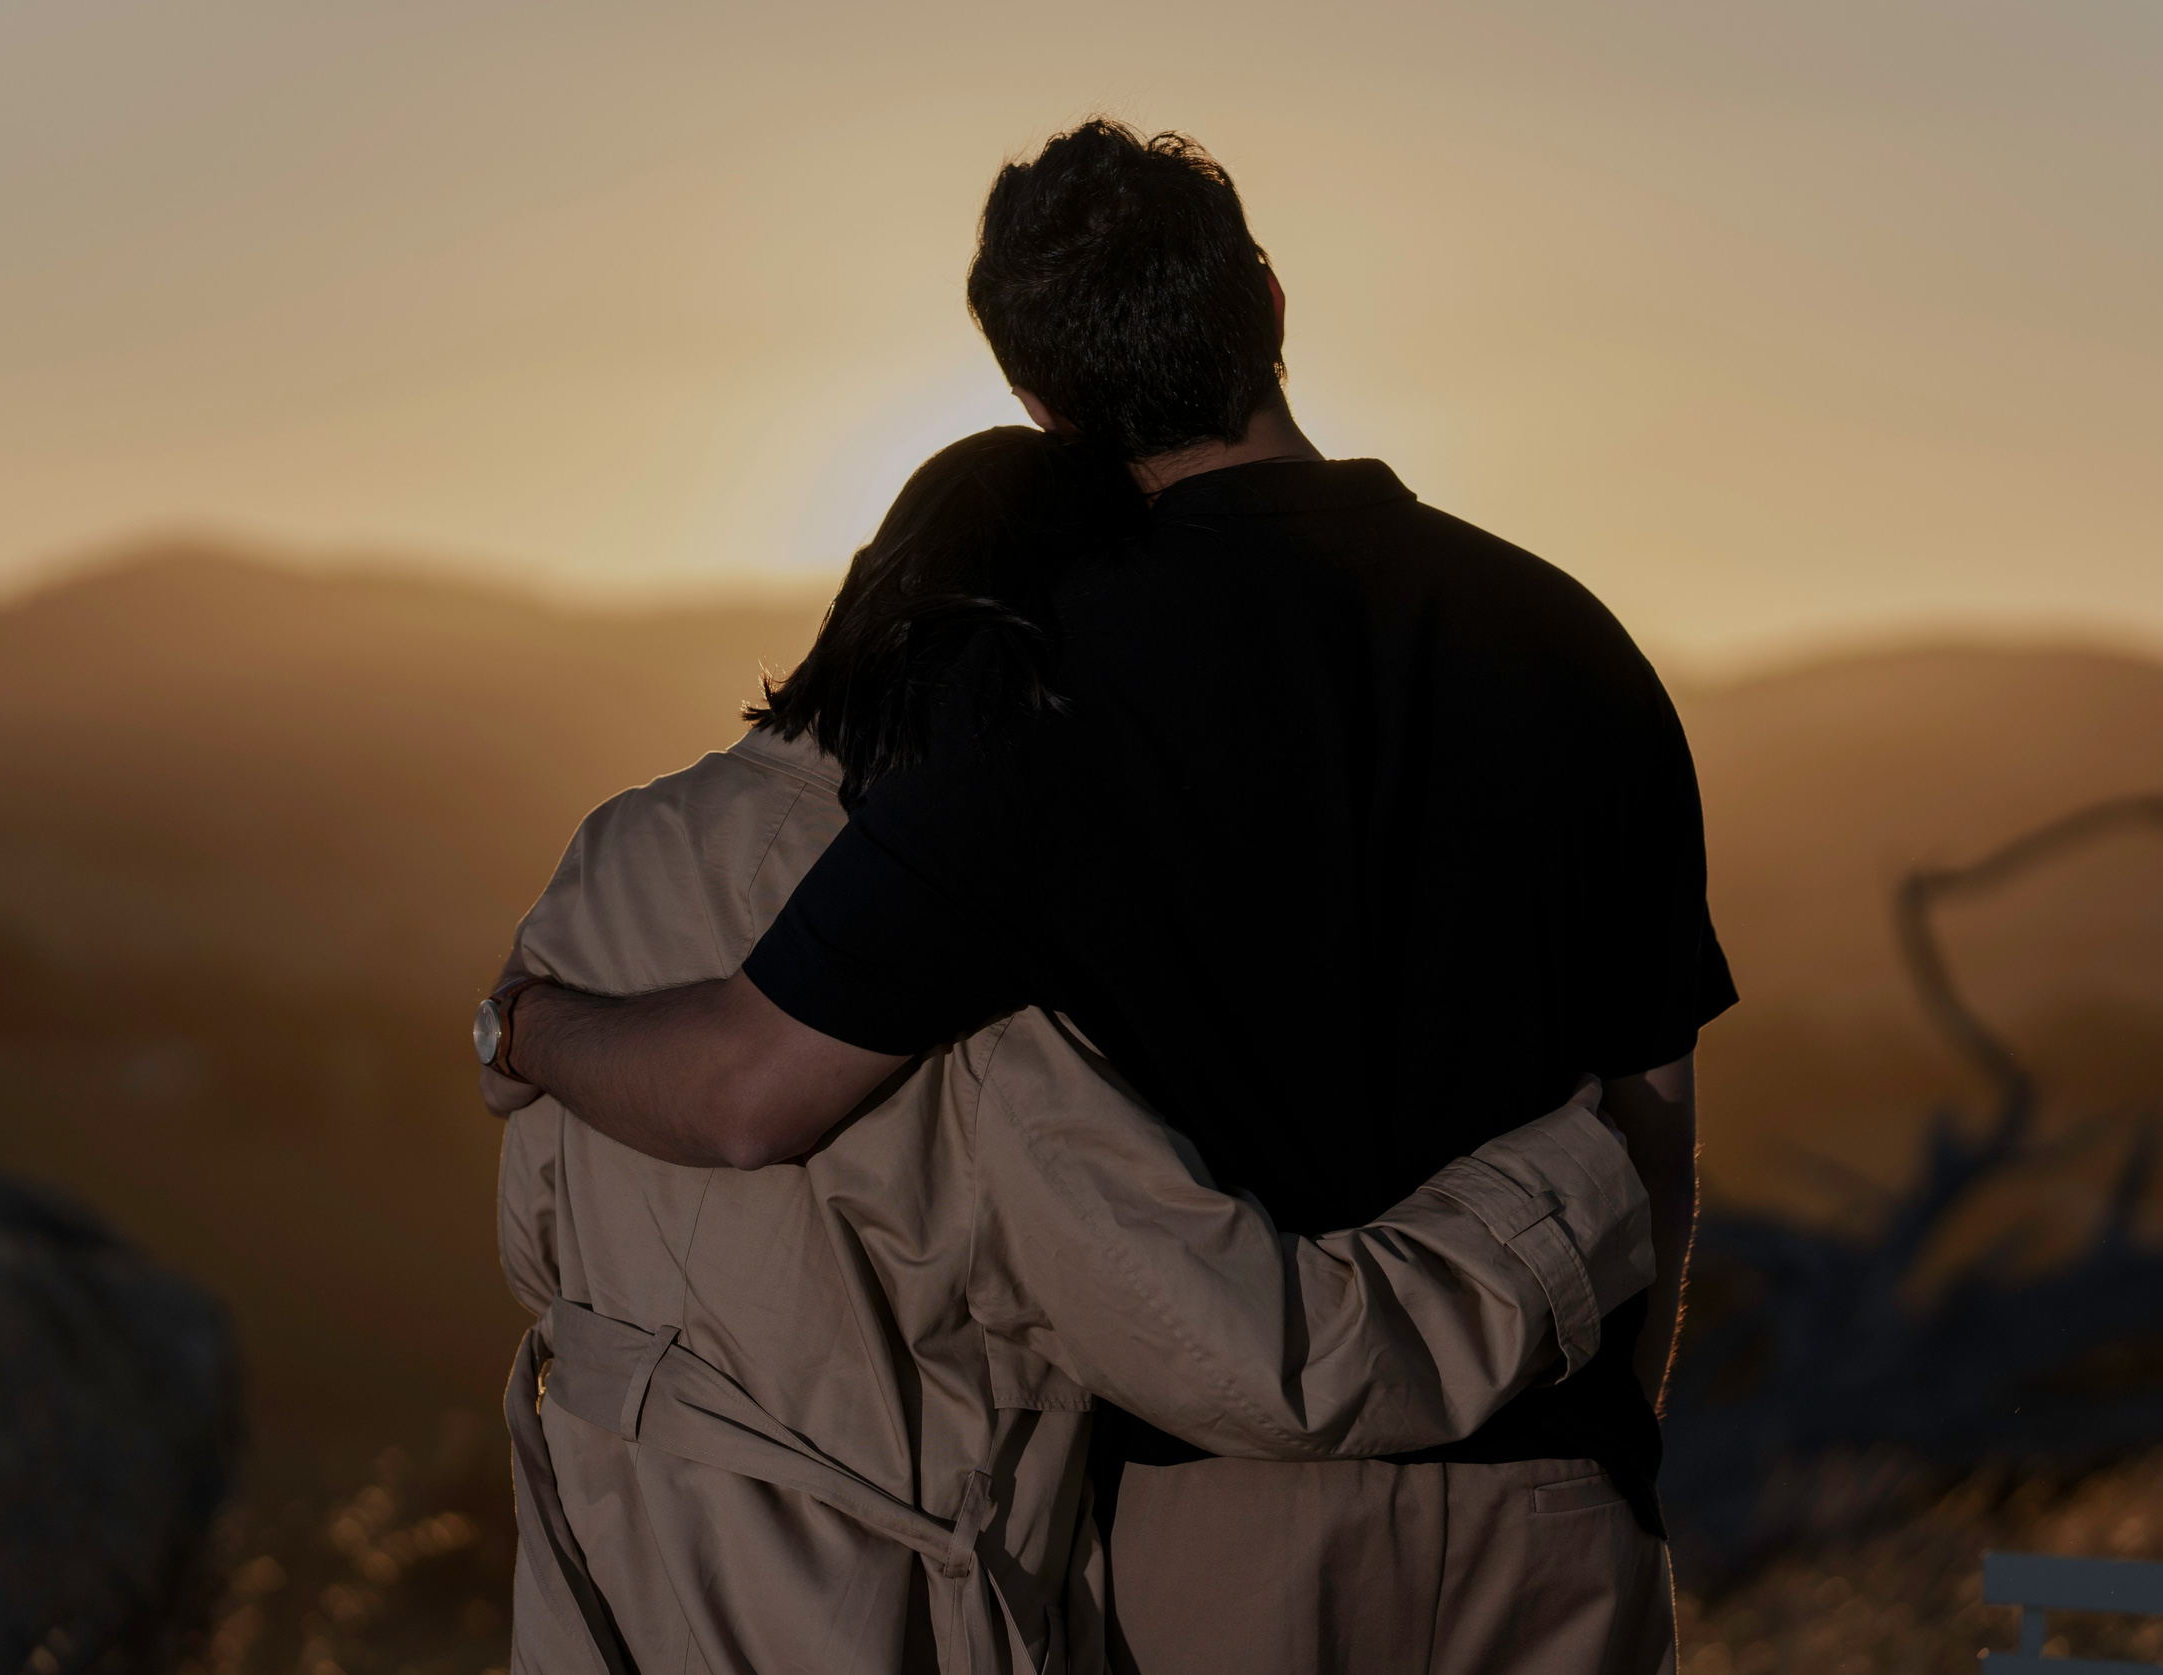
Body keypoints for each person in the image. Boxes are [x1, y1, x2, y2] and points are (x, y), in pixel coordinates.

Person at [485, 121, 1733, 1672]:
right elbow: (1654, 1123)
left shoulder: (1042, 698)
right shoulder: (1577, 645)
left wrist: (527, 1028)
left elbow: (749, 1091)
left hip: (1221, 1544)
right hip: (1560, 1516)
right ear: (1269, 302)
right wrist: (1617, 1440)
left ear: (1039, 404)